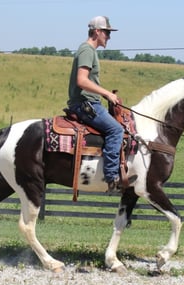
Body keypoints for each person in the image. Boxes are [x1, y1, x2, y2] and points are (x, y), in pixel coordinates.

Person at [67, 16, 124, 193]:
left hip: (89, 102)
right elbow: (82, 80)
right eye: (107, 32)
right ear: (97, 31)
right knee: (116, 130)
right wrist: (106, 93)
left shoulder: (89, 51)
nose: (109, 37)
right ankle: (112, 176)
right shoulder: (87, 50)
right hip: (86, 104)